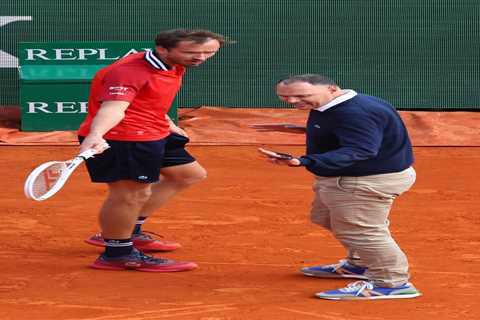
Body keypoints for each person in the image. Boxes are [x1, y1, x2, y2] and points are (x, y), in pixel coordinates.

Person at [259, 74, 421, 300]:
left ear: (332, 88)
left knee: (362, 231)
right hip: (355, 176)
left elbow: (361, 149)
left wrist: (303, 161)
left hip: (365, 179)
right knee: (325, 217)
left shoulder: (354, 112)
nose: (293, 101)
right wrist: (302, 130)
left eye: (301, 96)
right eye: (285, 97)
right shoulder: (345, 103)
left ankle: (391, 282)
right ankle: (361, 264)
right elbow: (356, 132)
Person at [78, 29, 228, 272]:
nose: (200, 58)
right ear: (162, 49)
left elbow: (149, 99)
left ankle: (129, 230)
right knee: (130, 194)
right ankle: (117, 252)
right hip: (123, 137)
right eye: (192, 52)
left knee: (188, 174)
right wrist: (96, 135)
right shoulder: (129, 72)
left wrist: (168, 123)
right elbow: (114, 107)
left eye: (209, 53)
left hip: (154, 130)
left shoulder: (174, 63)